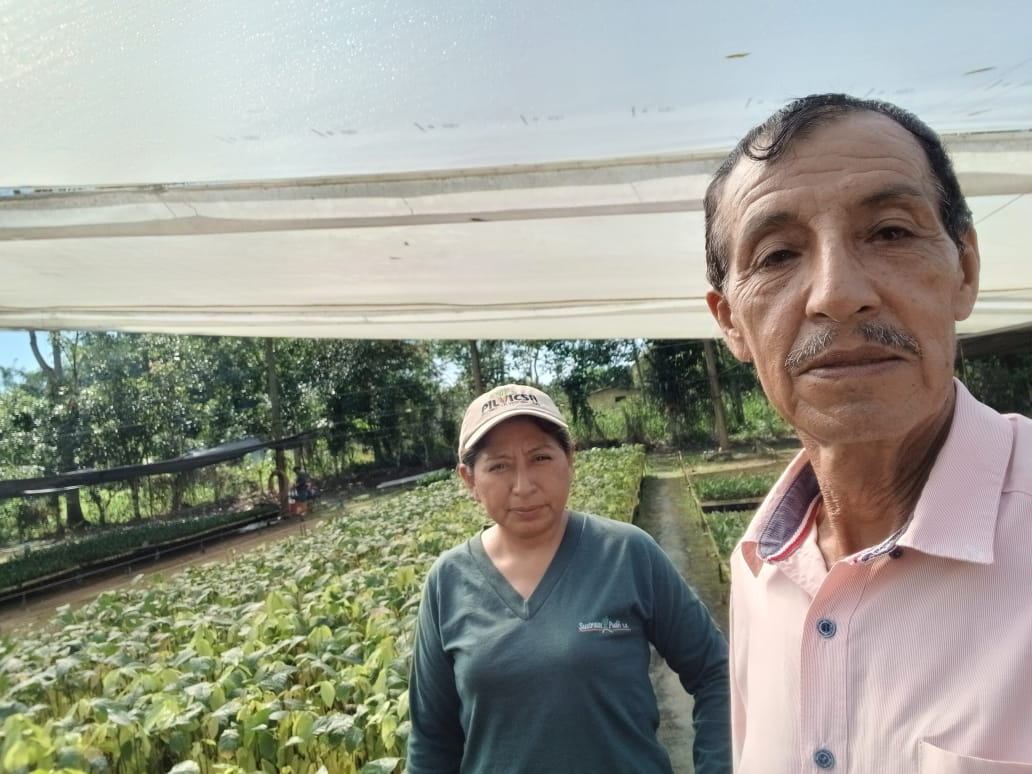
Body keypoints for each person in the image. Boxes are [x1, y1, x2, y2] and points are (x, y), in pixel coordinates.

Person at [703, 93, 1032, 772]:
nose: (837, 293)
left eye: (890, 232)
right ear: (730, 322)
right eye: (777, 255)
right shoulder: (759, 573)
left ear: (965, 271)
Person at [406, 383, 731, 774]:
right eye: (499, 466)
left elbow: (716, 672)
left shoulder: (627, 553)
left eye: (541, 457)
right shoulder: (447, 581)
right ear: (469, 480)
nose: (524, 486)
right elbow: (431, 741)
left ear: (570, 459)